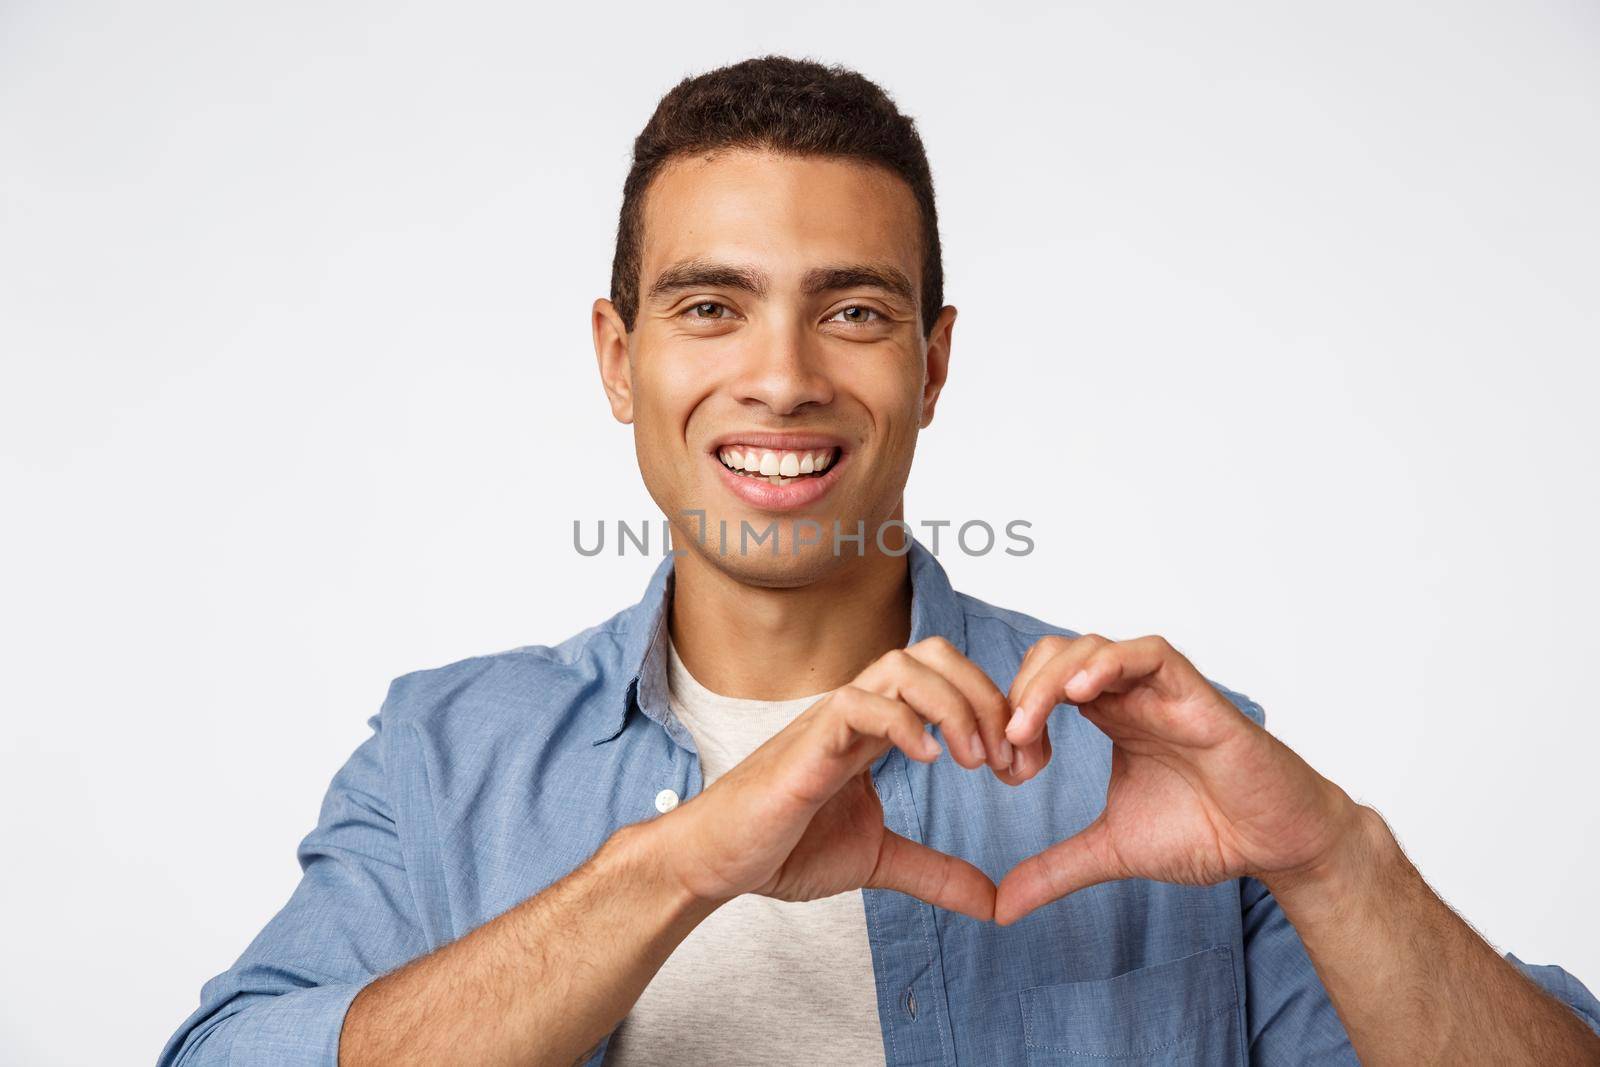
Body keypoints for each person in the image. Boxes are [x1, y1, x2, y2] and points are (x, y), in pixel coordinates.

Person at [158, 55, 1600, 1067]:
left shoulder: (1151, 768)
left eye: (851, 312)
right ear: (619, 359)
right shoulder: (444, 754)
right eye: (711, 306)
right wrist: (671, 872)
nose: (779, 379)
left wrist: (1337, 862)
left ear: (933, 361)